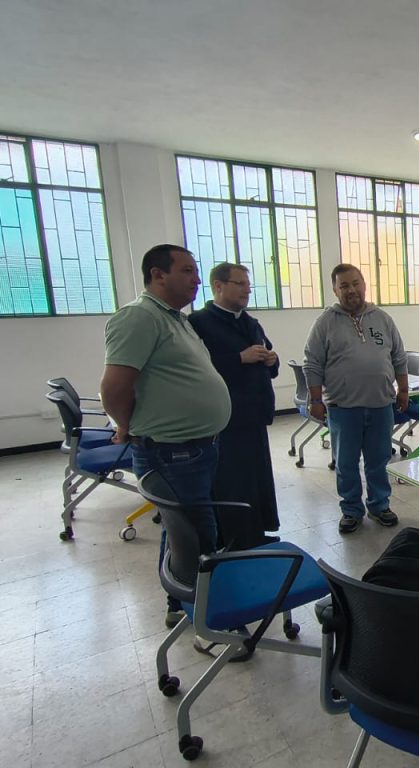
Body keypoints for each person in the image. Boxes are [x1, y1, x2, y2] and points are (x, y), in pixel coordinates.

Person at [101, 244, 231, 628]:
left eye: (196, 271)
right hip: (173, 452)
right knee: (199, 536)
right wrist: (126, 425)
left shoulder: (174, 318)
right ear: (158, 275)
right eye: (187, 271)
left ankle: (180, 602)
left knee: (181, 532)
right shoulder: (139, 317)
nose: (197, 279)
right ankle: (209, 623)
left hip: (195, 448)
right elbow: (114, 387)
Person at [304, 264, 409, 534]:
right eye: (344, 286)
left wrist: (403, 390)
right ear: (335, 290)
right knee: (346, 464)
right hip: (343, 408)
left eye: (355, 283)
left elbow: (398, 357)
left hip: (381, 405)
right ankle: (351, 509)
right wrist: (315, 400)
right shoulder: (325, 322)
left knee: (379, 461)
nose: (351, 290)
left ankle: (379, 505)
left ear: (364, 284)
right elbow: (312, 363)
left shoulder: (383, 318)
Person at [188, 262, 280, 550]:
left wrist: (271, 359)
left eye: (248, 285)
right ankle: (235, 539)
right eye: (240, 284)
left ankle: (255, 532)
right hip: (226, 419)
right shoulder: (199, 323)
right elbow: (195, 370)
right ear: (218, 286)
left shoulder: (250, 322)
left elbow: (268, 358)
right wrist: (239, 358)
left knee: (256, 478)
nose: (247, 290)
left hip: (254, 415)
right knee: (232, 481)